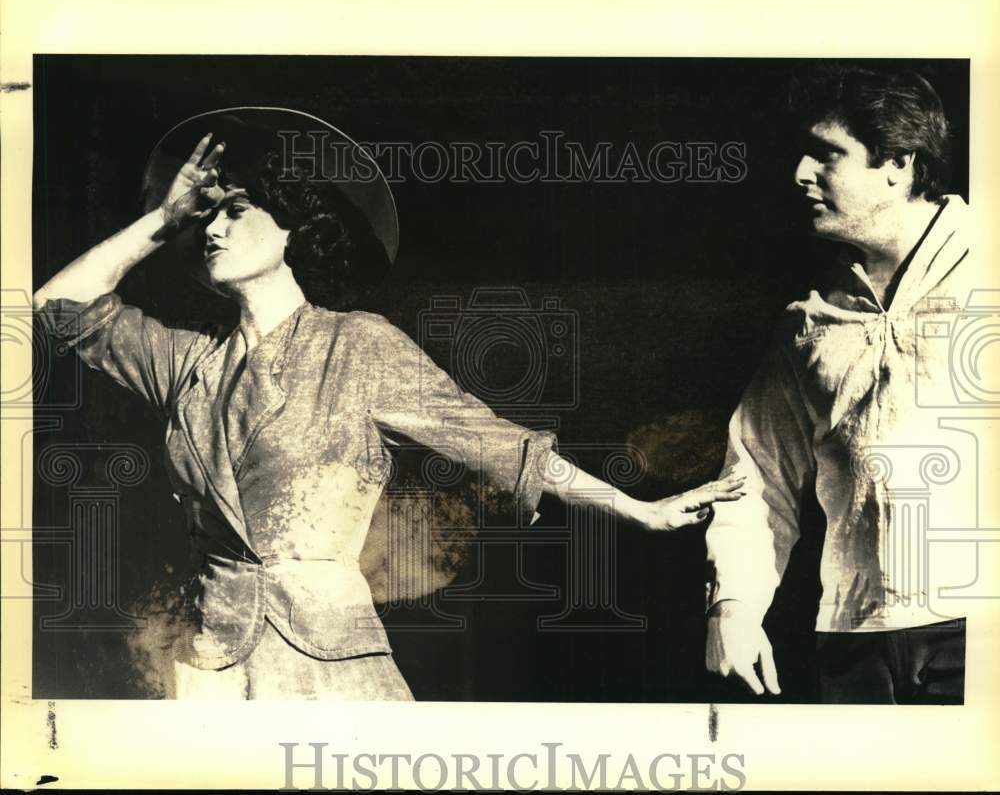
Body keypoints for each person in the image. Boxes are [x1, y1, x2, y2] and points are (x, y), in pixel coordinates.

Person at [35, 107, 744, 701]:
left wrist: (638, 508)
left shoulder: (359, 346)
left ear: (291, 228)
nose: (211, 229)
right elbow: (57, 307)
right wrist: (161, 219)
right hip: (210, 663)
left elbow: (501, 445)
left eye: (235, 210)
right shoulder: (185, 361)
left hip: (330, 662)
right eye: (201, 221)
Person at [704, 66, 981, 704]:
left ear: (898, 163)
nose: (801, 173)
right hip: (854, 640)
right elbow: (755, 477)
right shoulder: (807, 321)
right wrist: (735, 607)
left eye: (826, 154)